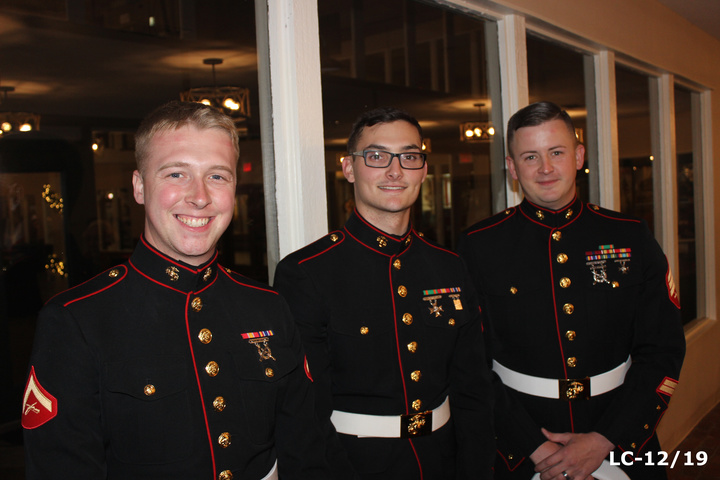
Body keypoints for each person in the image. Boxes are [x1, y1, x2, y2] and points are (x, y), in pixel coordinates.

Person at [22, 101, 331, 480]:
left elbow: (306, 452)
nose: (199, 196)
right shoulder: (77, 320)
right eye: (176, 174)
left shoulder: (268, 307)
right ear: (139, 186)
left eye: (217, 176)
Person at [457, 101, 686, 480]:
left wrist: (605, 439)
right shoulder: (479, 245)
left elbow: (662, 350)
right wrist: (535, 447)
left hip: (621, 433)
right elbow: (469, 365)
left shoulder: (630, 236)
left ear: (579, 156)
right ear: (512, 168)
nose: (545, 168)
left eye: (557, 152)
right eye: (530, 157)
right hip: (520, 441)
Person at [273, 106, 495, 479]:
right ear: (349, 168)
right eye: (376, 157)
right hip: (353, 464)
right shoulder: (307, 272)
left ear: (423, 169)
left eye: (409, 157)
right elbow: (305, 412)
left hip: (444, 459)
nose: (395, 171)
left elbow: (473, 389)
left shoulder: (449, 266)